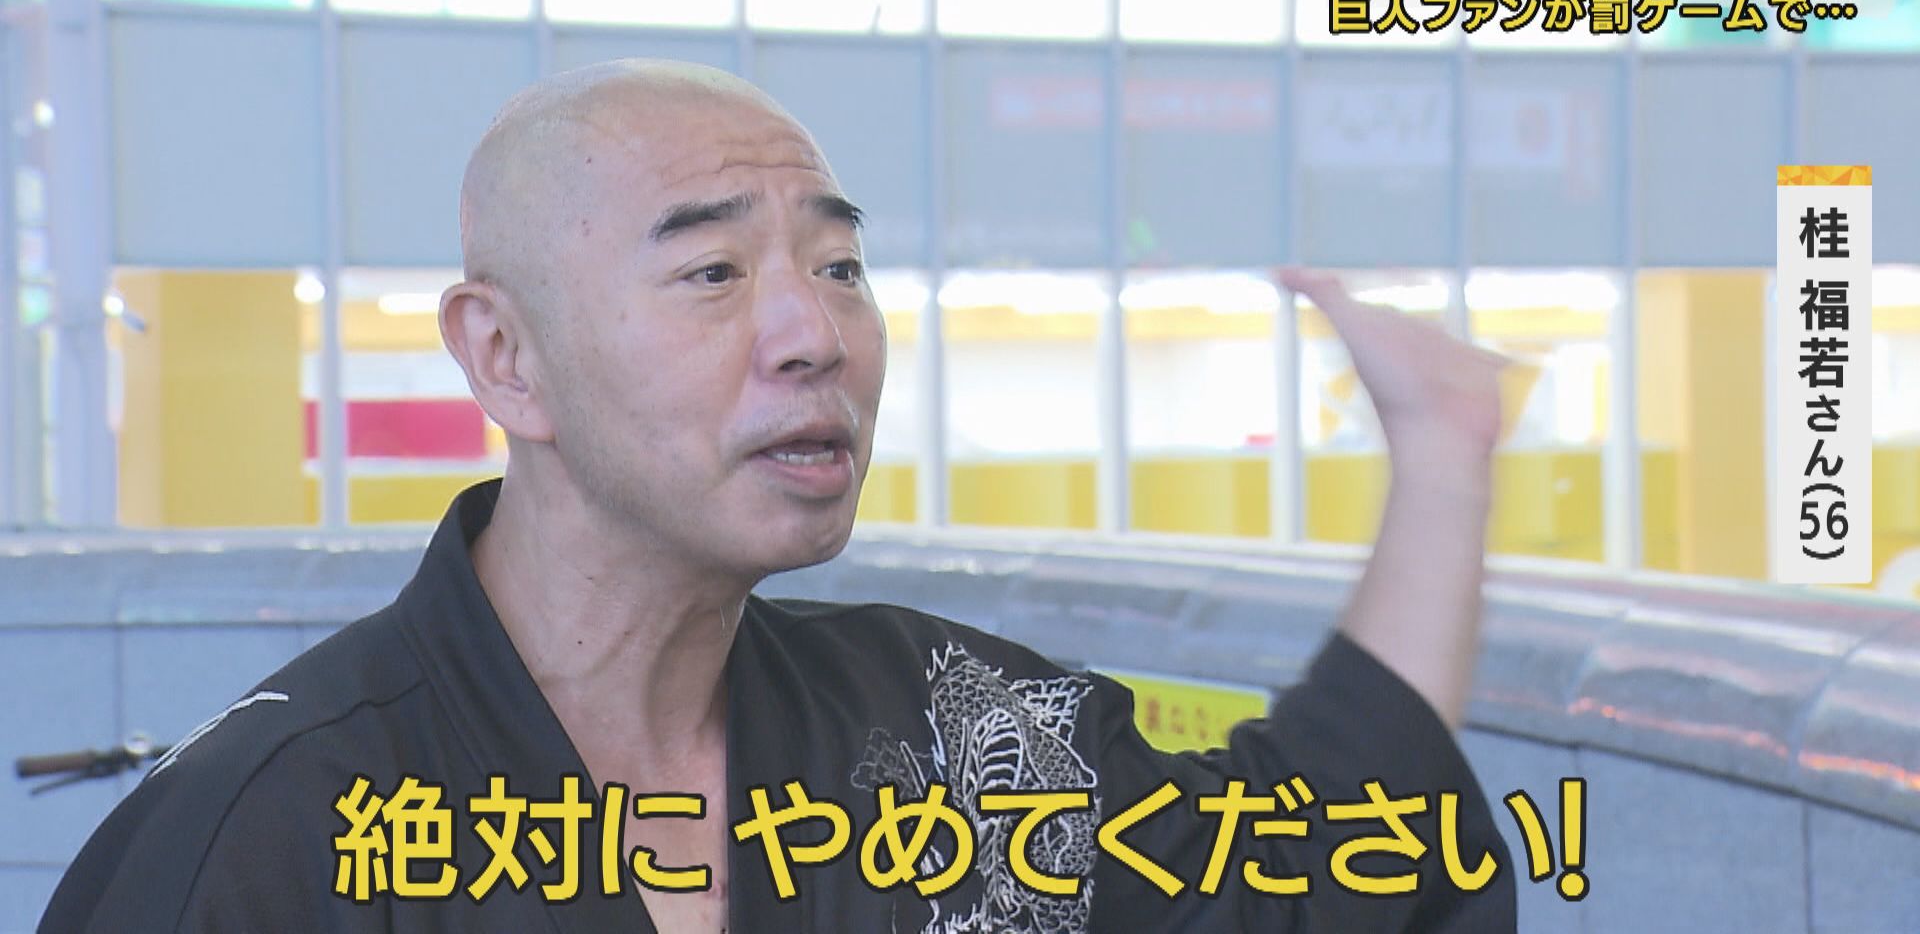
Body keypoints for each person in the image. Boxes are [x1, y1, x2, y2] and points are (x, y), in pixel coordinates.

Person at [42, 59, 1517, 933]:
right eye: (711, 272)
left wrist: (1443, 459)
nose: (814, 331)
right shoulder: (268, 835)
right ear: (506, 357)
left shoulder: (954, 738)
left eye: (840, 265)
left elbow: (1321, 873)